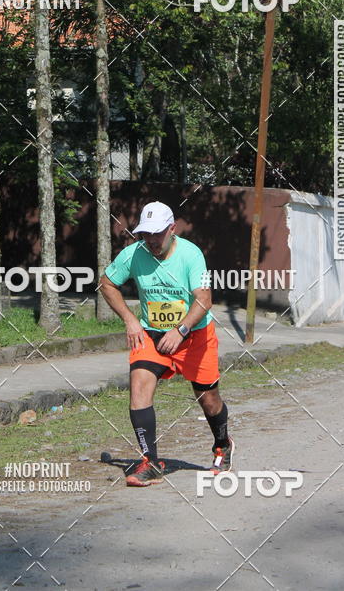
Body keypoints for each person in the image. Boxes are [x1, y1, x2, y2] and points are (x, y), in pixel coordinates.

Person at [100, 201, 234, 487]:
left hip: (194, 334)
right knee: (138, 386)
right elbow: (107, 284)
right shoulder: (134, 254)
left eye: (157, 234)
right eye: (145, 234)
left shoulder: (190, 255)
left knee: (208, 399)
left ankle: (222, 443)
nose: (151, 240)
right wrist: (129, 319)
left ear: (172, 229)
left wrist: (181, 329)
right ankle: (150, 461)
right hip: (151, 334)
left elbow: (204, 300)